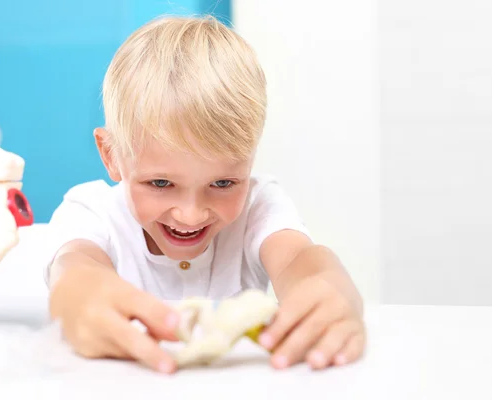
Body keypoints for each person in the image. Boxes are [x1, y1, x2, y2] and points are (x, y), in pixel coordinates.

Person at [45, 15, 365, 374]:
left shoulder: (259, 205)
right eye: (161, 184)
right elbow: (74, 271)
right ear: (112, 156)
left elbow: (298, 261)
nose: (190, 215)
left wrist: (332, 287)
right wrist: (79, 296)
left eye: (223, 183)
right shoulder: (91, 212)